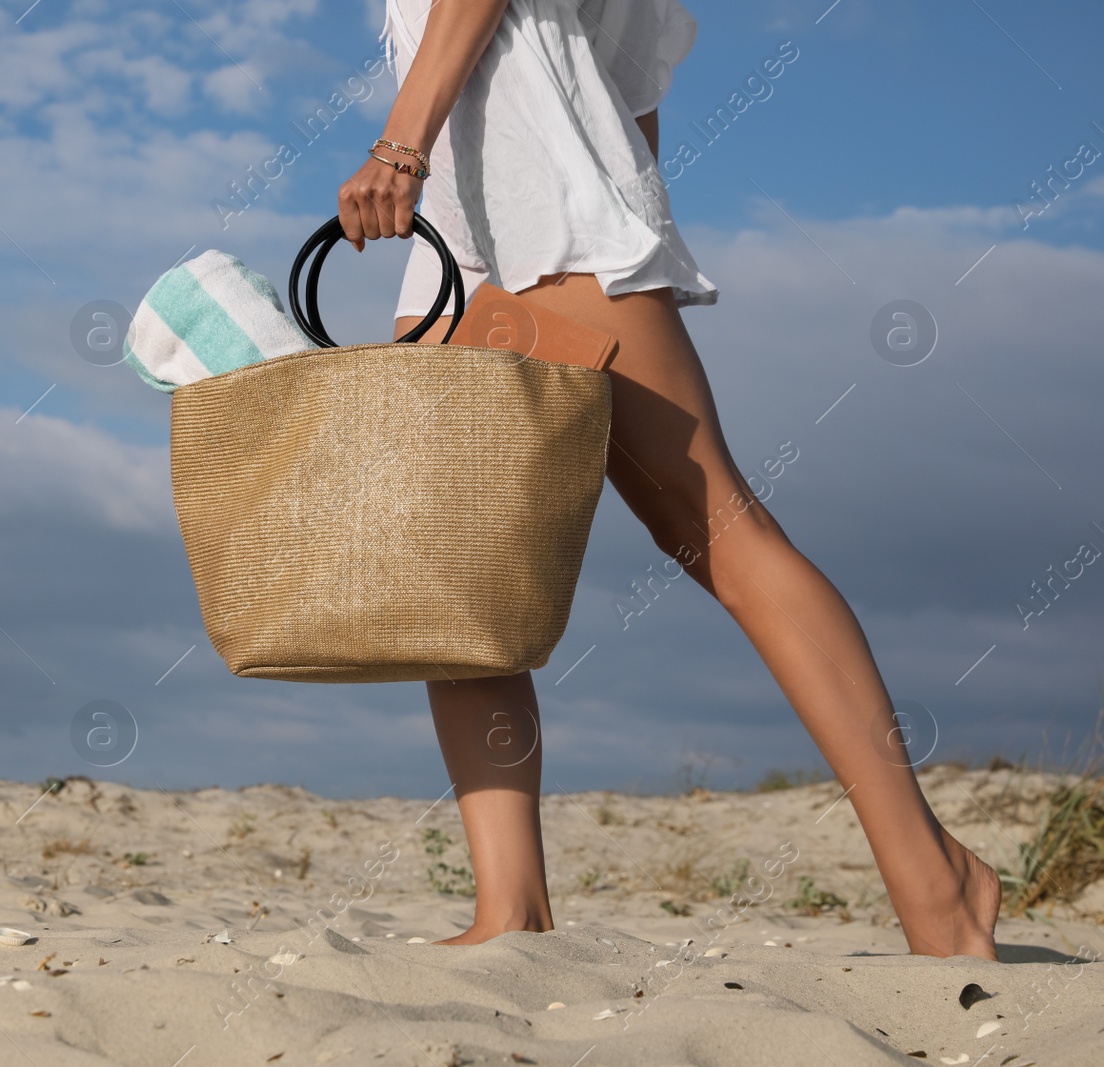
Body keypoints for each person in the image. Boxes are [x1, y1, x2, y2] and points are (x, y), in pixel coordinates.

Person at [337, 0, 1001, 959]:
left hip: (551, 227)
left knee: (722, 535)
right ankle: (509, 916)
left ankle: (939, 885)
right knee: (463, 584)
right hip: (466, 240)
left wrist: (402, 148)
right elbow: (634, 84)